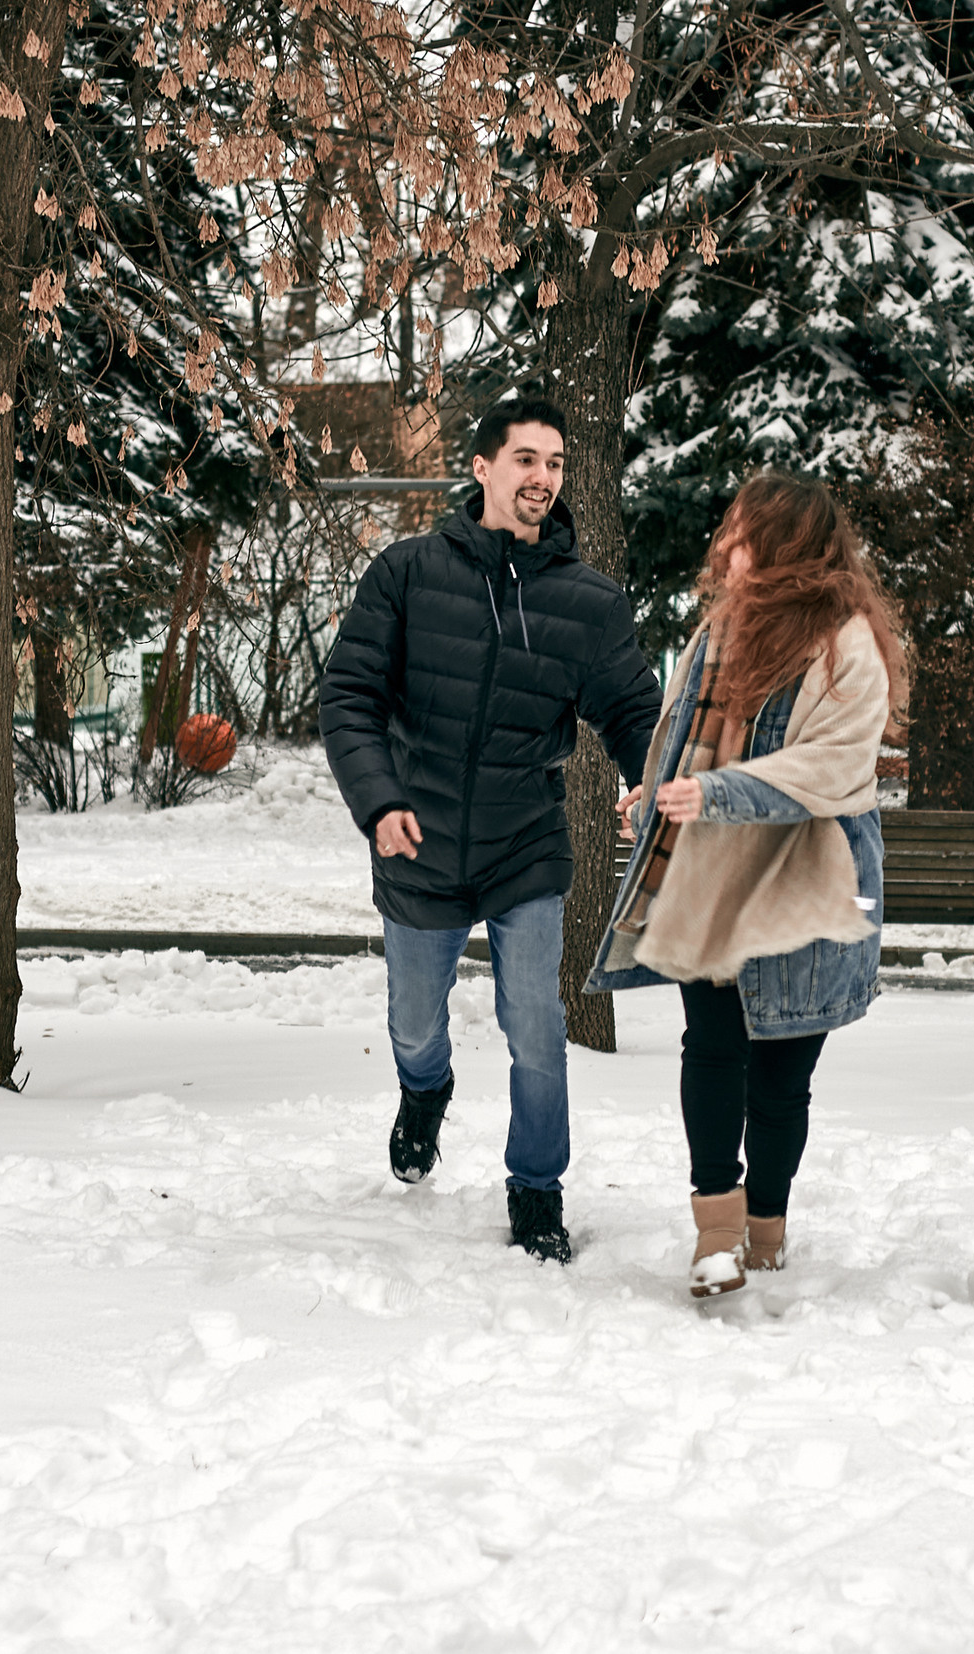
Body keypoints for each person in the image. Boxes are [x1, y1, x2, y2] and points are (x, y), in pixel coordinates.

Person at [319, 397, 663, 1263]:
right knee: (411, 1024)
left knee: (538, 1024)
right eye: (525, 459)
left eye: (555, 462)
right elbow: (348, 696)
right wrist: (379, 801)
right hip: (418, 838)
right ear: (482, 468)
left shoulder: (587, 603)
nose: (543, 477)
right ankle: (424, 1091)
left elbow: (632, 712)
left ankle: (537, 1189)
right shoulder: (406, 574)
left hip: (524, 844)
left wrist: (653, 781)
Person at [587, 471, 904, 1299]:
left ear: (792, 550)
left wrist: (717, 794)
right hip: (716, 874)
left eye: (747, 535)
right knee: (714, 1050)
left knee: (781, 1076)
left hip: (805, 879)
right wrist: (655, 793)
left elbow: (831, 764)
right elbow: (685, 733)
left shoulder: (846, 644)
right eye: (731, 530)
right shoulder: (717, 633)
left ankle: (768, 1228)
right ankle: (716, 1237)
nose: (728, 548)